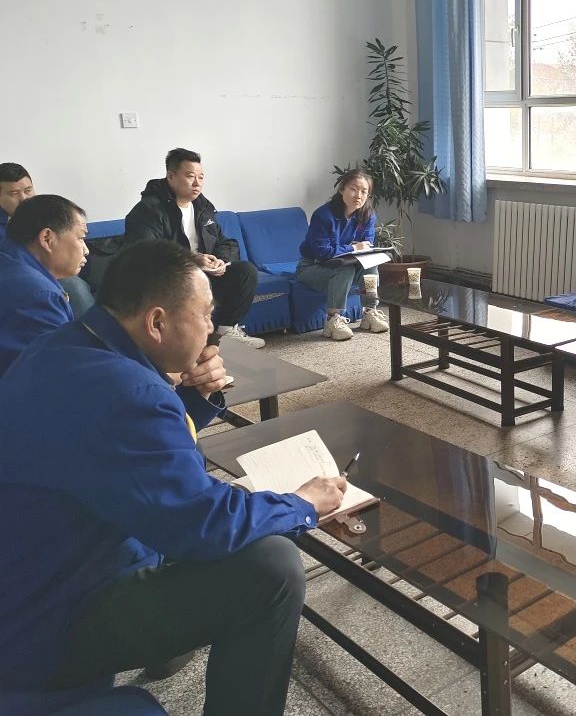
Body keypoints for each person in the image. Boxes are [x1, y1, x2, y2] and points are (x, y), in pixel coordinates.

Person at [0, 240, 346, 714]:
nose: (211, 329)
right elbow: (204, 525)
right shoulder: (130, 392)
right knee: (273, 568)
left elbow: (124, 456)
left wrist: (191, 401)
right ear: (157, 322)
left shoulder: (63, 346)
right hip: (48, 625)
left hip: (31, 579)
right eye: (205, 315)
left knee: (235, 515)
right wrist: (302, 504)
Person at [124, 147, 265, 347]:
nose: (197, 183)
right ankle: (186, 343)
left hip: (203, 273)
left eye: (201, 177)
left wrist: (221, 260)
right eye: (190, 176)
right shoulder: (148, 211)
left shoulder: (203, 207)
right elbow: (145, 255)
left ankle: (226, 332)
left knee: (245, 271)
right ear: (171, 176)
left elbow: (225, 242)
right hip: (171, 278)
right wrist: (192, 260)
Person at [0, 195, 89, 376]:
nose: (86, 250)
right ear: (47, 239)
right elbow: (58, 372)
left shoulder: (7, 259)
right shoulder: (40, 295)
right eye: (80, 238)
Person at [296, 168, 389, 341]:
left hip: (346, 265)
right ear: (341, 189)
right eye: (353, 189)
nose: (358, 195)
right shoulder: (323, 215)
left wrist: (357, 249)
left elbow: (366, 247)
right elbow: (323, 252)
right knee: (344, 270)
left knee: (370, 266)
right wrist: (353, 248)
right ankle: (332, 320)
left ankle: (369, 312)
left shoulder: (368, 215)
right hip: (312, 266)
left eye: (364, 191)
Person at [0, 162, 95, 316]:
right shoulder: (42, 292)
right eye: (13, 193)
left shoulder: (46, 212)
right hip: (33, 283)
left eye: (28, 190)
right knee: (74, 286)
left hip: (52, 275)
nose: (23, 198)